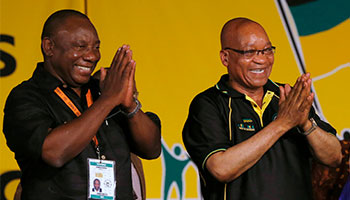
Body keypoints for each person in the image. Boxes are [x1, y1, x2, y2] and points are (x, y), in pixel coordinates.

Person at [3, 9, 161, 200]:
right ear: (49, 47)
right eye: (80, 46)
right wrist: (108, 100)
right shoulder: (26, 97)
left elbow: (151, 148)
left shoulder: (103, 89)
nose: (92, 56)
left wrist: (129, 105)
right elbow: (53, 152)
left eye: (96, 47)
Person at [182, 17, 342, 200]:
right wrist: (282, 123)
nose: (262, 60)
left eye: (267, 50)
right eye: (249, 52)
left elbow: (334, 157)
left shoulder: (288, 98)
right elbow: (221, 168)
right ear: (225, 58)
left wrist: (305, 123)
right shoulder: (208, 104)